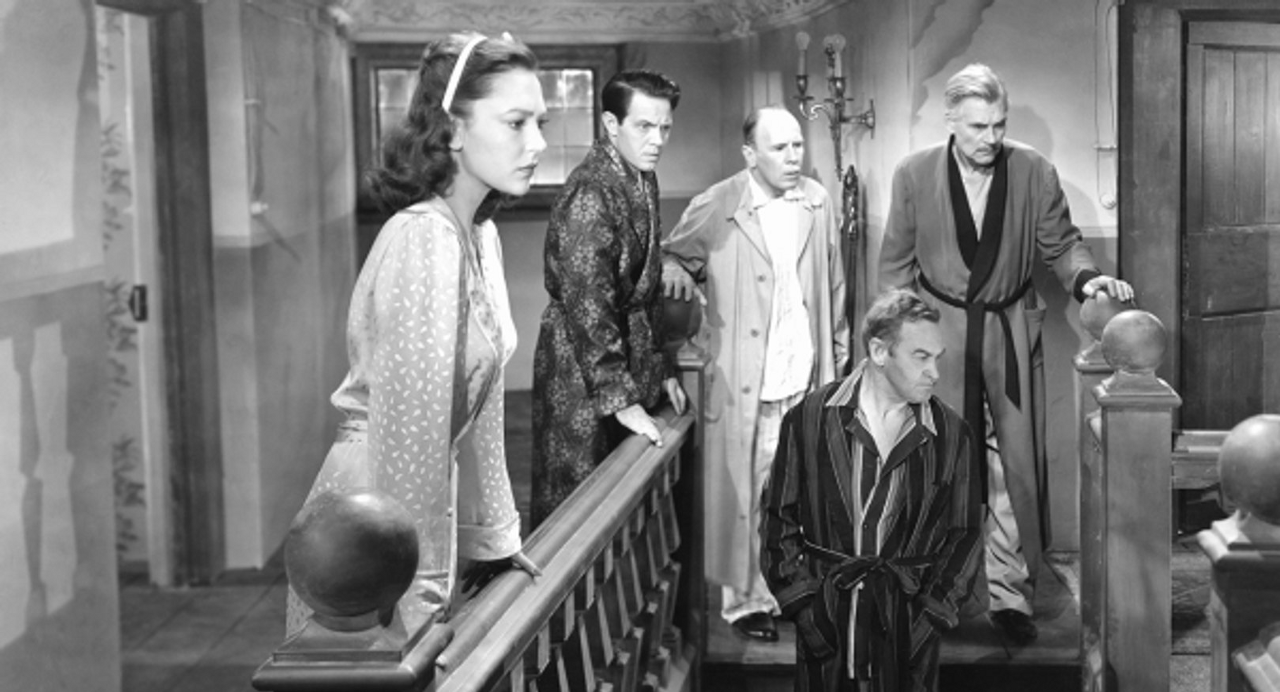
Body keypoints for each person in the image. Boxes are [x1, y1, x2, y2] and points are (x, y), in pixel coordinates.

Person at [286, 31, 545, 637]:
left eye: (540, 123)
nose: (535, 142)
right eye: (515, 123)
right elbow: (411, 436)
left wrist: (495, 539)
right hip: (367, 530)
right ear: (452, 130)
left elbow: (480, 412)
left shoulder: (478, 233)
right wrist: (418, 597)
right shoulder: (423, 237)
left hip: (421, 512)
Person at [877, 63, 1134, 645]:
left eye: (999, 124)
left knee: (1011, 465)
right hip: (936, 337)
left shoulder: (1034, 170)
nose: (990, 138)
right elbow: (894, 268)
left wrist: (1088, 279)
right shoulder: (914, 174)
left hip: (1009, 332)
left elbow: (1062, 245)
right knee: (935, 464)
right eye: (978, 126)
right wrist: (894, 348)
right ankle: (934, 592)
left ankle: (1009, 594)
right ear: (950, 119)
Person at [663, 105, 849, 641]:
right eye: (779, 148)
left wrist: (837, 363)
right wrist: (678, 275)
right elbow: (673, 259)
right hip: (749, 379)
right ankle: (745, 602)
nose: (793, 157)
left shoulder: (817, 201)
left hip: (804, 372)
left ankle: (786, 589)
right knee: (748, 494)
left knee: (797, 495)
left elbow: (835, 287)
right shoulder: (717, 204)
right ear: (750, 154)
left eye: (798, 145)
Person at [760, 289, 984, 692]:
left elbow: (965, 535)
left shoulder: (952, 435)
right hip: (828, 621)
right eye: (921, 357)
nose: (934, 372)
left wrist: (930, 618)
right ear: (879, 351)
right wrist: (806, 609)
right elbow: (778, 521)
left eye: (937, 358)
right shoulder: (809, 419)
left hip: (906, 631)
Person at [529, 70, 687, 526]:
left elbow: (647, 290)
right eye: (645, 126)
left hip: (625, 360)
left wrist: (660, 372)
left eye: (665, 127)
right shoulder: (590, 190)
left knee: (622, 501)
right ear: (611, 124)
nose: (657, 140)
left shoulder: (640, 176)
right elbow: (589, 304)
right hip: (579, 366)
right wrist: (620, 399)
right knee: (577, 507)